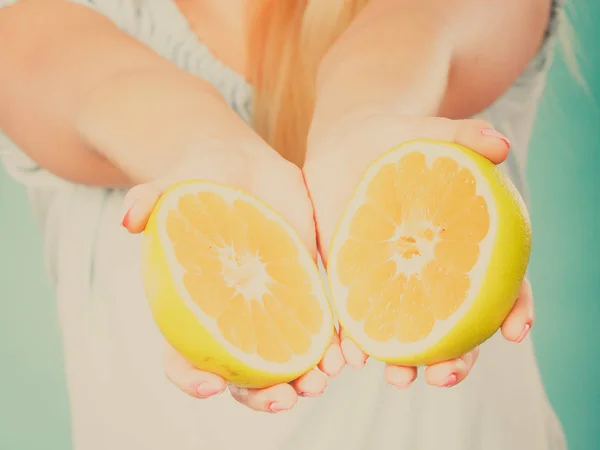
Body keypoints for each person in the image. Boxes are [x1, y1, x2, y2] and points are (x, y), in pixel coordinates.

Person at [0, 0, 567, 449]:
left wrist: (360, 118)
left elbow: (418, 26)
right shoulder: (36, 25)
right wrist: (207, 151)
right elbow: (93, 81)